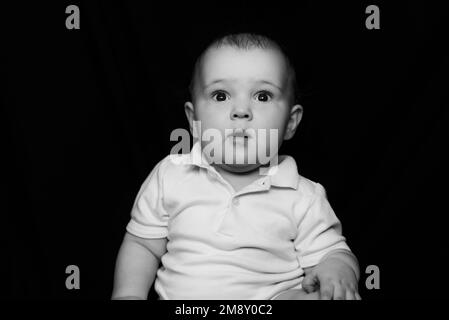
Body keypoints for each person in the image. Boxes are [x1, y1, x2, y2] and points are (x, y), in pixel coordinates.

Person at [112, 33, 361, 300]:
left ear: (291, 122)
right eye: (220, 95)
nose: (241, 110)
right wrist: (129, 294)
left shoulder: (303, 196)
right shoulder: (171, 174)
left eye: (263, 96)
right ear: (193, 119)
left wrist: (337, 268)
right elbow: (143, 245)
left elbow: (333, 252)